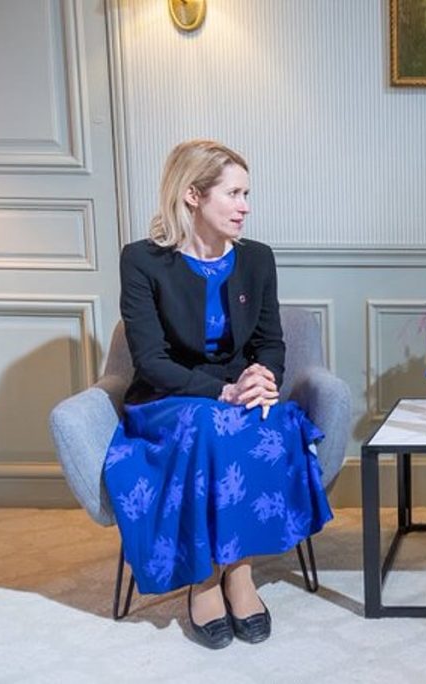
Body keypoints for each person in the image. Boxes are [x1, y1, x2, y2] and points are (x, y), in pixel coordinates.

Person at [104, 140, 333, 649]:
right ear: (193, 195)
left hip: (235, 391)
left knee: (267, 422)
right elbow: (152, 361)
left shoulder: (257, 259)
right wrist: (224, 390)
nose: (244, 206)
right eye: (233, 193)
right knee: (209, 425)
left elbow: (270, 341)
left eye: (246, 194)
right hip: (168, 397)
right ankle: (205, 578)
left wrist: (262, 378)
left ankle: (240, 572)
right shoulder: (142, 260)